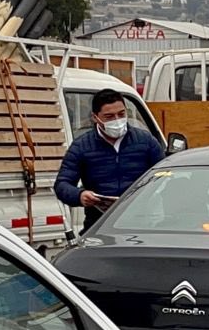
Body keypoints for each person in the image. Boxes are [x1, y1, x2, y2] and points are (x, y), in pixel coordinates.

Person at [54, 89, 165, 232]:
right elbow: (62, 184)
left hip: (143, 223)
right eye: (109, 117)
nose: (117, 120)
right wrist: (80, 196)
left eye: (121, 114)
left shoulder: (146, 141)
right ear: (95, 117)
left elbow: (164, 175)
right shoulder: (81, 146)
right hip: (99, 224)